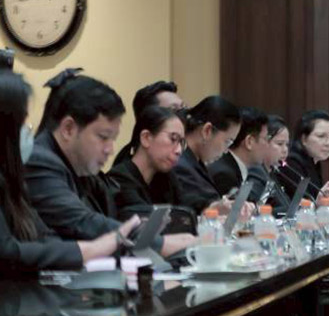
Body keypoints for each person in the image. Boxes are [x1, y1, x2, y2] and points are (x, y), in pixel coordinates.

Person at [26, 71, 192, 257]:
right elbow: (82, 222)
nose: (110, 149)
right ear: (68, 129)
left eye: (113, 139)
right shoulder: (39, 162)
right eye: (103, 137)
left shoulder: (81, 169)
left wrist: (144, 229)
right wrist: (158, 243)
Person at [0, 69, 136, 274]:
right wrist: (89, 250)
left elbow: (41, 236)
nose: (28, 130)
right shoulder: (39, 161)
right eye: (21, 123)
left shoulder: (11, 177)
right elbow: (7, 252)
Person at [108, 104, 186, 220]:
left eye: (181, 143)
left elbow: (185, 216)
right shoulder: (119, 180)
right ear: (146, 138)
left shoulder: (167, 177)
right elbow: (147, 222)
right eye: (173, 139)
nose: (179, 150)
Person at [172, 95, 242, 214]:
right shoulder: (180, 164)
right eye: (227, 141)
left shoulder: (194, 162)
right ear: (207, 131)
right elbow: (194, 206)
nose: (226, 150)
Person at [210, 107, 271, 201]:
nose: (268, 146)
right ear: (249, 142)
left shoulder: (233, 167)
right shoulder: (224, 175)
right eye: (266, 139)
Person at [282, 110, 329, 201]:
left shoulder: (314, 161)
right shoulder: (291, 163)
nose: (328, 143)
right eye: (321, 136)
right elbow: (301, 203)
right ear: (304, 139)